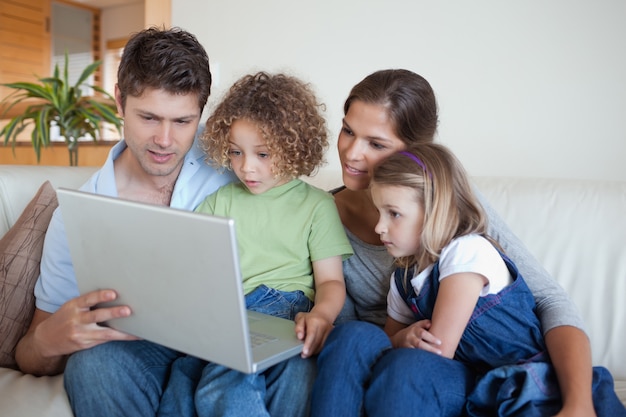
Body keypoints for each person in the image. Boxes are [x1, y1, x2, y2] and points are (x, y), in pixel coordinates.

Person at [13, 28, 307, 417]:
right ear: (119, 100)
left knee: (296, 363)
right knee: (92, 366)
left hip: (243, 331)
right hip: (144, 348)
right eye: (149, 117)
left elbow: (300, 206)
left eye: (183, 121)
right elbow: (30, 354)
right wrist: (50, 340)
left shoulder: (234, 158)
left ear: (201, 111)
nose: (165, 140)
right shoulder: (77, 214)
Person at [312, 69, 605, 416]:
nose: (351, 153)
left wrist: (578, 402)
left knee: (406, 370)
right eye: (348, 131)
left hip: (446, 368)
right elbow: (344, 333)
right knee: (352, 339)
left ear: (419, 154)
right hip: (392, 359)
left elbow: (548, 300)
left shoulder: (453, 211)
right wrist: (398, 339)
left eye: (376, 144)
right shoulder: (320, 216)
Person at [159, 71, 352, 417]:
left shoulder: (317, 206)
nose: (246, 167)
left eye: (263, 154)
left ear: (294, 146)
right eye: (235, 152)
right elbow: (189, 260)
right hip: (227, 313)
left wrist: (322, 315)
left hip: (283, 307)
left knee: (228, 378)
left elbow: (331, 281)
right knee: (182, 376)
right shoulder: (221, 200)